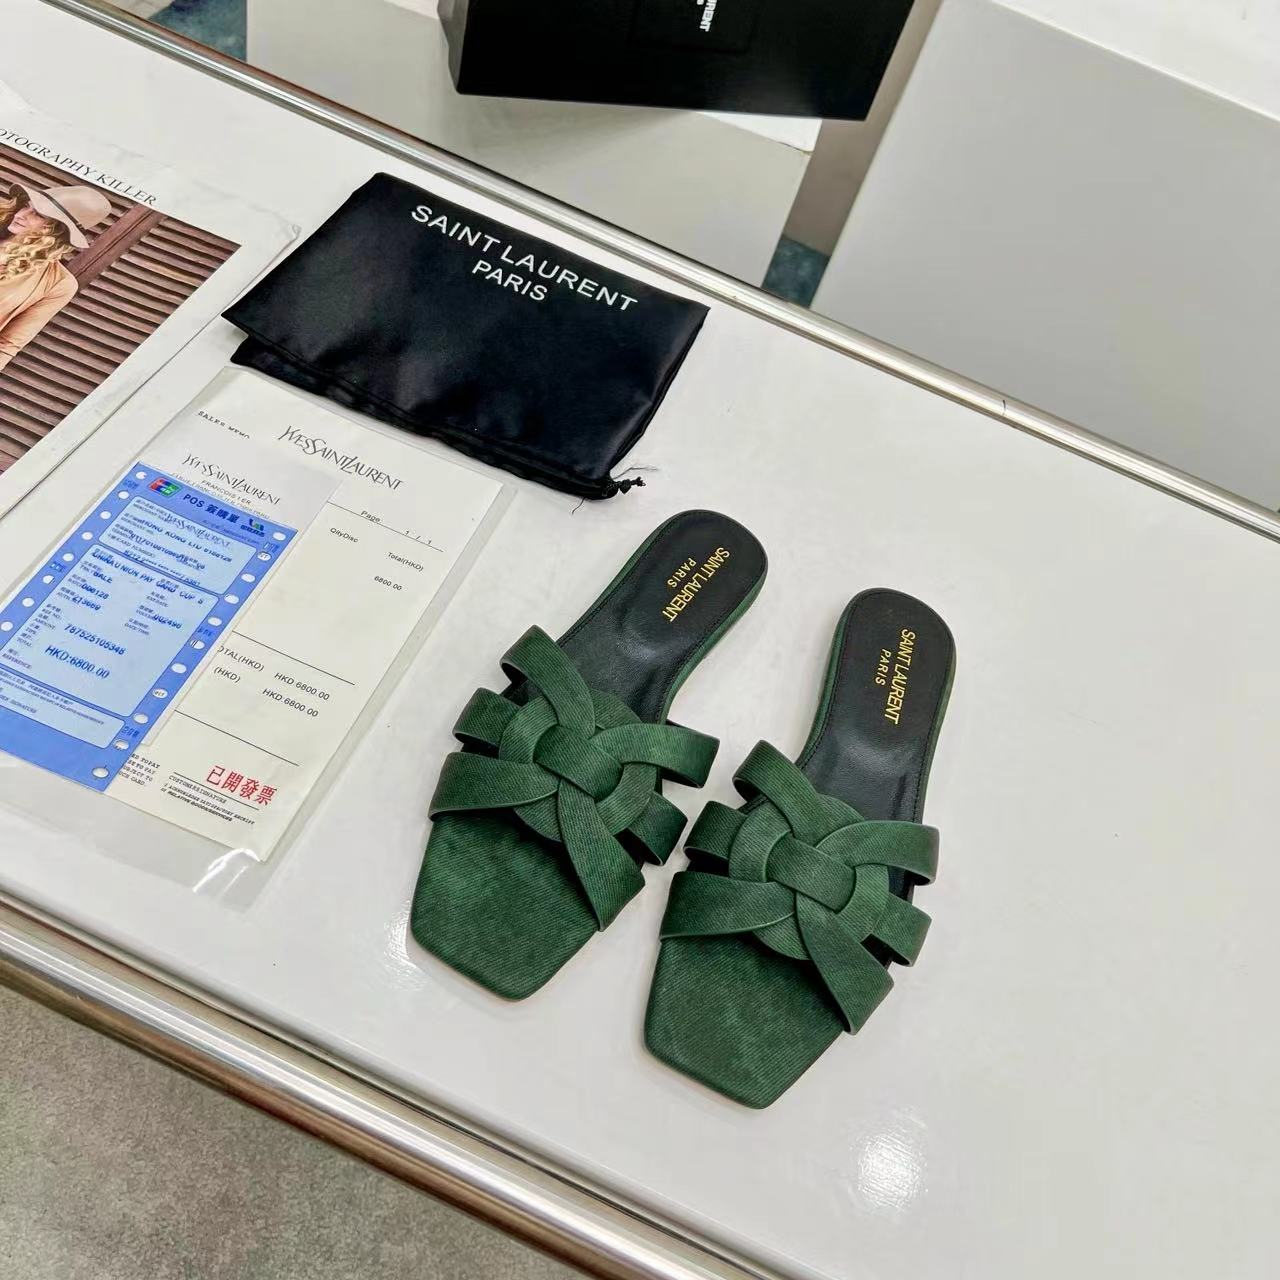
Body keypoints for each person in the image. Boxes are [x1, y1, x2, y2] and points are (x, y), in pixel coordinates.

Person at [0, 181, 112, 372]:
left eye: (38, 214)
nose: (20, 215)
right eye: (26, 206)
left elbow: (7, 344)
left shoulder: (59, 284)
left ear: (57, 229)